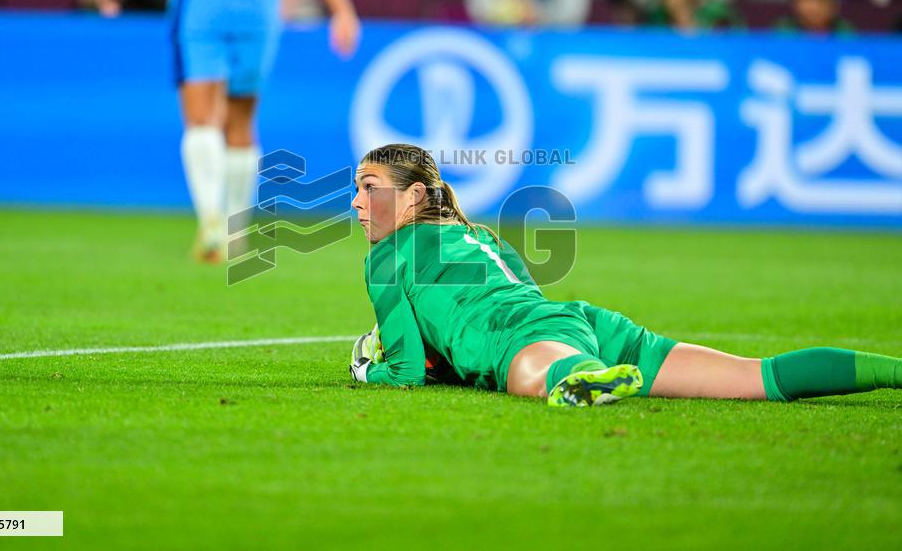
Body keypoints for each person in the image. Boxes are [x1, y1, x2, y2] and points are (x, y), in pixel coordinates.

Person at [347, 144, 902, 408]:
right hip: (577, 321)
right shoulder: (481, 236)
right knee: (757, 378)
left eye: (370, 188)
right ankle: (893, 370)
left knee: (538, 378)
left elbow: (406, 372)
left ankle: (587, 377)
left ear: (413, 196)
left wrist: (366, 370)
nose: (356, 203)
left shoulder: (387, 256)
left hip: (521, 340)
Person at [95, 0, 359, 262]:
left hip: (202, 7)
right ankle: (237, 233)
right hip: (258, 10)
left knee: (201, 119)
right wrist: (342, 9)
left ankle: (211, 223)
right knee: (241, 120)